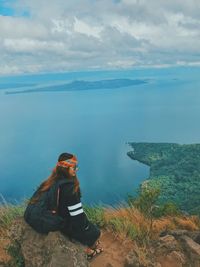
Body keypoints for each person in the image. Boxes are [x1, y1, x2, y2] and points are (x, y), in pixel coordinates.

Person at [24, 152, 103, 260]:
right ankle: (88, 251)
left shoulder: (50, 181)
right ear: (66, 168)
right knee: (95, 232)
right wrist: (88, 230)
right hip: (53, 220)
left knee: (83, 229)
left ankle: (89, 246)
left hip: (40, 216)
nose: (76, 169)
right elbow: (78, 219)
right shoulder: (70, 189)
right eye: (74, 167)